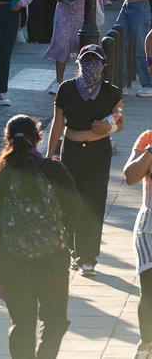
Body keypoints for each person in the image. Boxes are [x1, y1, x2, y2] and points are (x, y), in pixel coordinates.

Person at [0, 115, 81, 359]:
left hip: (13, 258)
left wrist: (10, 236)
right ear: (38, 138)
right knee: (55, 319)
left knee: (22, 322)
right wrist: (59, 236)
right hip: (53, 258)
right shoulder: (52, 169)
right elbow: (76, 208)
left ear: (7, 139)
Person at [46, 45, 123, 275]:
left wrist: (107, 127)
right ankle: (70, 249)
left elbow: (120, 123)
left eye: (96, 61)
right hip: (71, 151)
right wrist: (49, 156)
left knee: (94, 203)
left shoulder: (112, 92)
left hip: (99, 153)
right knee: (70, 200)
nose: (91, 66)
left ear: (103, 65)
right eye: (86, 60)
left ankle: (88, 256)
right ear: (78, 63)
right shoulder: (66, 89)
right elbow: (57, 124)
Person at [124, 128, 152, 359]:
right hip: (149, 229)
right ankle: (146, 345)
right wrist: (150, 151)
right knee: (150, 291)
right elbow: (130, 176)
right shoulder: (147, 138)